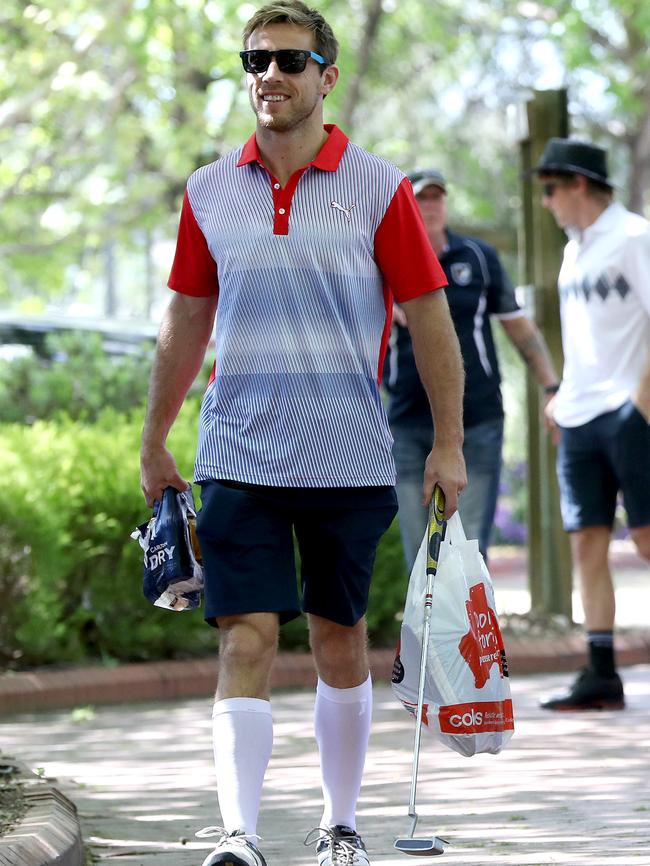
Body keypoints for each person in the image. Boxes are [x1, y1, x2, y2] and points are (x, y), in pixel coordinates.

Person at [139, 4, 466, 865]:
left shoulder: (379, 186)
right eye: (256, 60)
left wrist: (449, 442)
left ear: (326, 74)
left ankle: (340, 826)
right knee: (244, 633)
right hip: (237, 451)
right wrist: (155, 436)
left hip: (348, 453)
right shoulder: (209, 190)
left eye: (291, 60)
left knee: (337, 636)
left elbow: (430, 318)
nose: (270, 76)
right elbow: (186, 315)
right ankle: (241, 836)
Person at [385, 169, 559, 570]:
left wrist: (551, 387)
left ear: (445, 204)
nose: (429, 206)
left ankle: (469, 633)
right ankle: (429, 634)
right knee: (420, 556)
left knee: (468, 550)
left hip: (476, 420)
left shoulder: (477, 258)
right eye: (420, 198)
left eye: (436, 198)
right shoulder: (384, 261)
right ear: (407, 206)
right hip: (407, 423)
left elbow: (519, 328)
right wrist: (388, 311)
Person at [530, 137, 650, 711]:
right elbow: (585, 339)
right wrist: (563, 395)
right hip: (579, 418)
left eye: (550, 189)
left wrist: (640, 405)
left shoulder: (634, 237)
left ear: (578, 183)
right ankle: (601, 673)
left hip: (630, 415)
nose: (546, 201)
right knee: (587, 544)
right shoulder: (572, 251)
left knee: (648, 543)